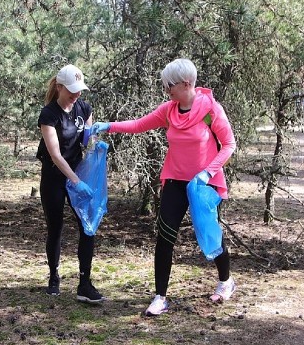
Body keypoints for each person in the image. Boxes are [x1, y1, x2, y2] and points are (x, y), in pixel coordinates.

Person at [88, 59, 236, 316]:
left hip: (203, 184)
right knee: (165, 236)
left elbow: (229, 145)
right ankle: (160, 297)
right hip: (175, 182)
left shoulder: (211, 110)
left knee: (210, 234)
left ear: (187, 84)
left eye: (170, 85)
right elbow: (138, 124)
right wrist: (109, 127)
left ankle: (226, 281)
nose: (166, 89)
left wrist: (207, 172)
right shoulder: (168, 111)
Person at [36, 64, 105, 303]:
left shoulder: (83, 108)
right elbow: (55, 155)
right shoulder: (49, 114)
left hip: (77, 171)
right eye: (72, 90)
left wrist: (95, 142)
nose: (77, 95)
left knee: (87, 226)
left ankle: (84, 283)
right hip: (55, 176)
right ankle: (54, 277)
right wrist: (75, 182)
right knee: (55, 227)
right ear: (60, 87)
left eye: (79, 90)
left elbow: (89, 136)